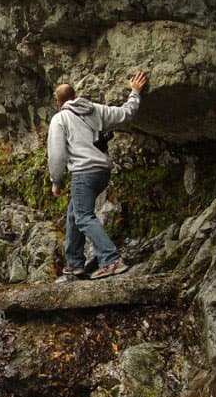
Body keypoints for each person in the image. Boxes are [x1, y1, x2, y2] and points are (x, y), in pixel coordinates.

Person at [47, 71, 148, 279]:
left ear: (59, 102)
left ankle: (112, 260)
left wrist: (56, 181)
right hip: (102, 172)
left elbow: (57, 154)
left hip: (83, 173)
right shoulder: (96, 110)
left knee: (83, 217)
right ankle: (75, 263)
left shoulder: (60, 119)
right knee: (75, 213)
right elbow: (126, 113)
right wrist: (135, 92)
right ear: (75, 96)